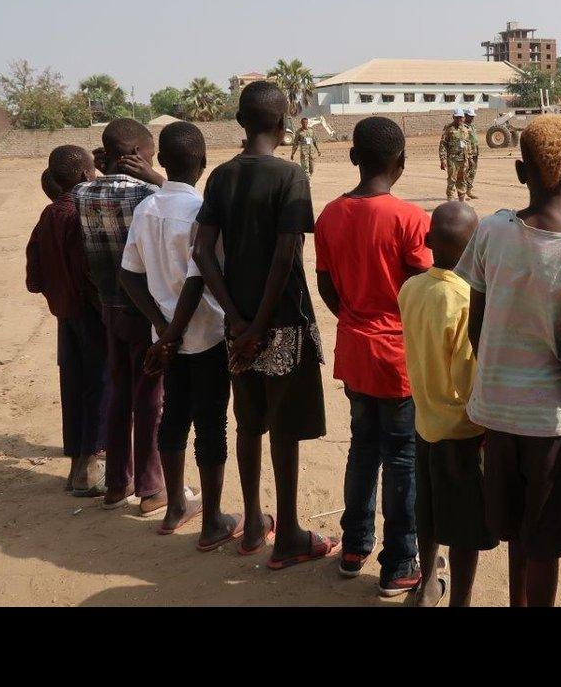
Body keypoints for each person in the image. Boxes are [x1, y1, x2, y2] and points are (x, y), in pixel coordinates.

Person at [455, 113, 561, 607]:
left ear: (521, 172)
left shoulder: (491, 229)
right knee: (543, 543)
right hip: (551, 426)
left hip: (496, 413)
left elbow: (476, 323)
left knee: (518, 536)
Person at [193, 81, 339, 569]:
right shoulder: (290, 175)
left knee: (249, 421)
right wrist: (258, 323)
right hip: (280, 323)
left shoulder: (220, 177)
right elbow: (285, 254)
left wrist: (236, 319)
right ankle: (289, 532)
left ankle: (254, 521)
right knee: (284, 426)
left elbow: (202, 252)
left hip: (238, 325)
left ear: (241, 122)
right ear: (283, 124)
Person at [315, 115, 430, 597]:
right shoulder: (410, 219)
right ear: (401, 161)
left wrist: (354, 315)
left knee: (363, 447)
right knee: (402, 457)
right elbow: (425, 285)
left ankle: (354, 546)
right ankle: (400, 562)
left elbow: (326, 284)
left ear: (352, 157)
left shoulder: (329, 215)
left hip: (355, 349)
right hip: (397, 355)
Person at [119, 122, 242, 548]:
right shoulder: (200, 211)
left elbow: (128, 275)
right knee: (210, 424)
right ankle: (213, 521)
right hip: (204, 335)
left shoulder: (146, 209)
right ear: (203, 163)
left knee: (173, 417)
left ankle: (175, 505)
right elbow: (196, 278)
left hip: (167, 342)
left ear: (161, 161)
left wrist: (160, 327)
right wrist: (171, 333)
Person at [398, 201, 496, 607]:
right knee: (465, 527)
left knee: (429, 511)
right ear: (475, 250)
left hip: (424, 419)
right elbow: (467, 377)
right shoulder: (465, 300)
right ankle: (460, 599)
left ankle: (426, 585)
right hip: (462, 429)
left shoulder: (411, 289)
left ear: (426, 241)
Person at [72, 119, 168, 515]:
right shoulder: (150, 194)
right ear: (137, 156)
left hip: (109, 308)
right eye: (150, 155)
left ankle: (116, 483)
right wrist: (157, 178)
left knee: (119, 394)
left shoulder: (81, 193)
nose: (152, 162)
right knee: (150, 399)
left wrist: (105, 168)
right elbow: (182, 202)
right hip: (146, 310)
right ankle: (151, 489)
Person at [26, 145, 105, 496]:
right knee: (98, 384)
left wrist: (56, 294)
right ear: (86, 175)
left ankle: (76, 464)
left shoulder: (48, 214)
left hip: (65, 314)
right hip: (89, 314)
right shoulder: (80, 215)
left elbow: (34, 277)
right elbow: (88, 271)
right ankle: (89, 464)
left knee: (73, 384)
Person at [439, 108, 471, 201]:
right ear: (453, 117)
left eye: (461, 117)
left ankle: (462, 200)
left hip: (464, 159)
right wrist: (443, 159)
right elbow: (443, 144)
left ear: (464, 118)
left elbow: (468, 143)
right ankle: (451, 200)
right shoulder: (448, 128)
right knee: (452, 180)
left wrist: (470, 157)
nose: (459, 119)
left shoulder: (466, 128)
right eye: (457, 117)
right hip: (452, 159)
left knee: (463, 179)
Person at [462, 107, 480, 200]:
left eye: (473, 116)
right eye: (470, 116)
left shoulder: (472, 126)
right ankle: (462, 193)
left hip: (475, 152)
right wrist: (468, 156)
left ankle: (469, 191)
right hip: (467, 153)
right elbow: (463, 142)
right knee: (465, 172)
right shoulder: (463, 127)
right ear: (465, 116)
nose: (472, 118)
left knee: (473, 172)